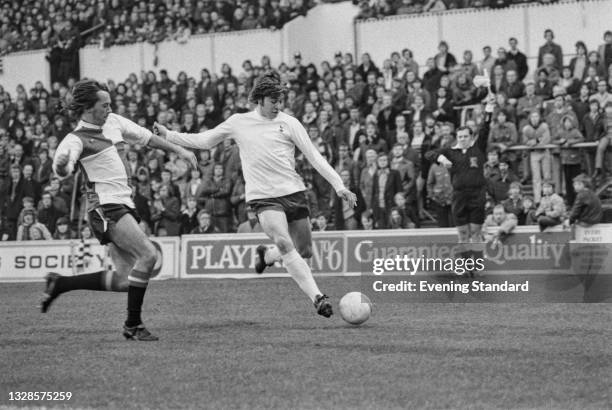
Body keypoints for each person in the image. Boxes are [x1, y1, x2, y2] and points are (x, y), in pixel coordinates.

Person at [155, 75, 356, 318]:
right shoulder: (239, 122)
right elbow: (205, 141)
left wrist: (339, 185)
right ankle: (318, 298)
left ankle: (267, 255)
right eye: (274, 100)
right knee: (284, 241)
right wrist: (169, 134)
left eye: (280, 100)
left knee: (303, 251)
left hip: (293, 192)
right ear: (260, 99)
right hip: (263, 197)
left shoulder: (290, 123)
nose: (278, 105)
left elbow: (314, 156)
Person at [41, 79, 197, 341]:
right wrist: (60, 166)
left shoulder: (113, 122)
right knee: (148, 255)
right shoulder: (76, 138)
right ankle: (132, 325)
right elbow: (63, 166)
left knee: (125, 279)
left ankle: (61, 284)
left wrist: (179, 150)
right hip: (105, 206)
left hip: (122, 203)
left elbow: (147, 138)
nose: (110, 109)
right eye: (105, 105)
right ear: (89, 108)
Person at [426, 91, 495, 275]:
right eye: (460, 136)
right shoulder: (451, 151)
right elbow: (429, 154)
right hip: (459, 196)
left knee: (476, 232)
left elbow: (486, 127)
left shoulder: (478, 149)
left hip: (477, 194)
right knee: (463, 234)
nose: (462, 139)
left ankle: (477, 266)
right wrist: (441, 158)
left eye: (465, 136)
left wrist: (489, 109)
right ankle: (466, 266)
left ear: (471, 137)